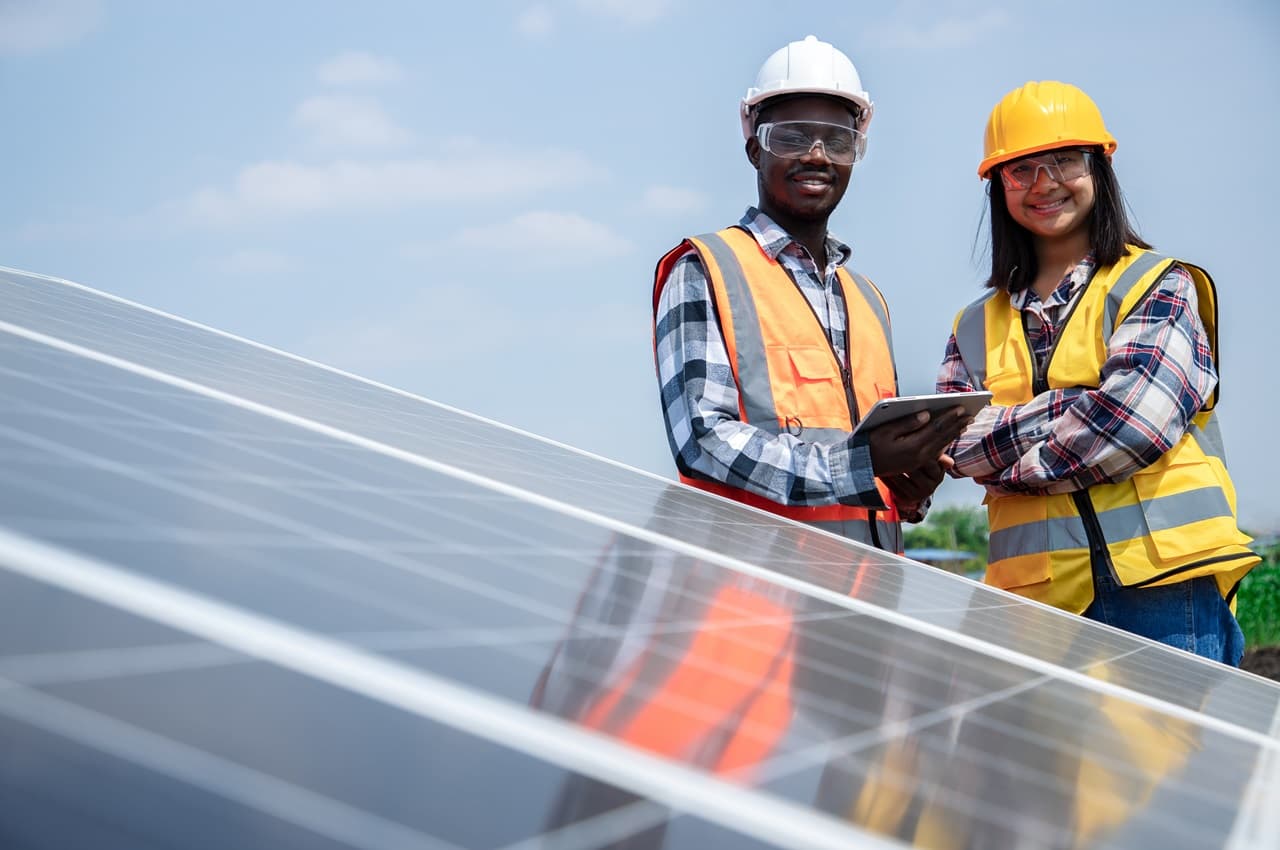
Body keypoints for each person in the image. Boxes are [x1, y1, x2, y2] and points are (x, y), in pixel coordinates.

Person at [938, 80, 1259, 664]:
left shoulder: (1158, 283)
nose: (1045, 183)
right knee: (1050, 760)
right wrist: (1079, 406)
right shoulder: (973, 325)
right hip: (1035, 603)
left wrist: (1009, 459)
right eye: (1021, 169)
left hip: (1161, 589)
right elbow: (955, 441)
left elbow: (1132, 425)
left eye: (1065, 160)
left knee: (1169, 758)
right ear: (997, 186)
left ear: (1099, 168)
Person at [652, 35, 969, 554]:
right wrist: (864, 465)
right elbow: (704, 442)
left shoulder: (867, 300)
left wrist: (904, 486)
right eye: (793, 137)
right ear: (754, 146)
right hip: (755, 605)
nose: (817, 155)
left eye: (838, 141)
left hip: (866, 605)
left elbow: (862, 455)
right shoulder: (706, 269)